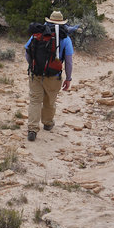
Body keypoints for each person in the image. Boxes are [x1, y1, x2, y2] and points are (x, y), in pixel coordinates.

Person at [24, 10, 74, 142]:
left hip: (36, 74)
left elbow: (27, 53)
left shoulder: (37, 34)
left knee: (35, 100)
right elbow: (68, 61)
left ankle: (32, 129)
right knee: (50, 100)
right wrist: (68, 78)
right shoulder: (65, 38)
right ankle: (47, 123)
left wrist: (33, 66)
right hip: (54, 75)